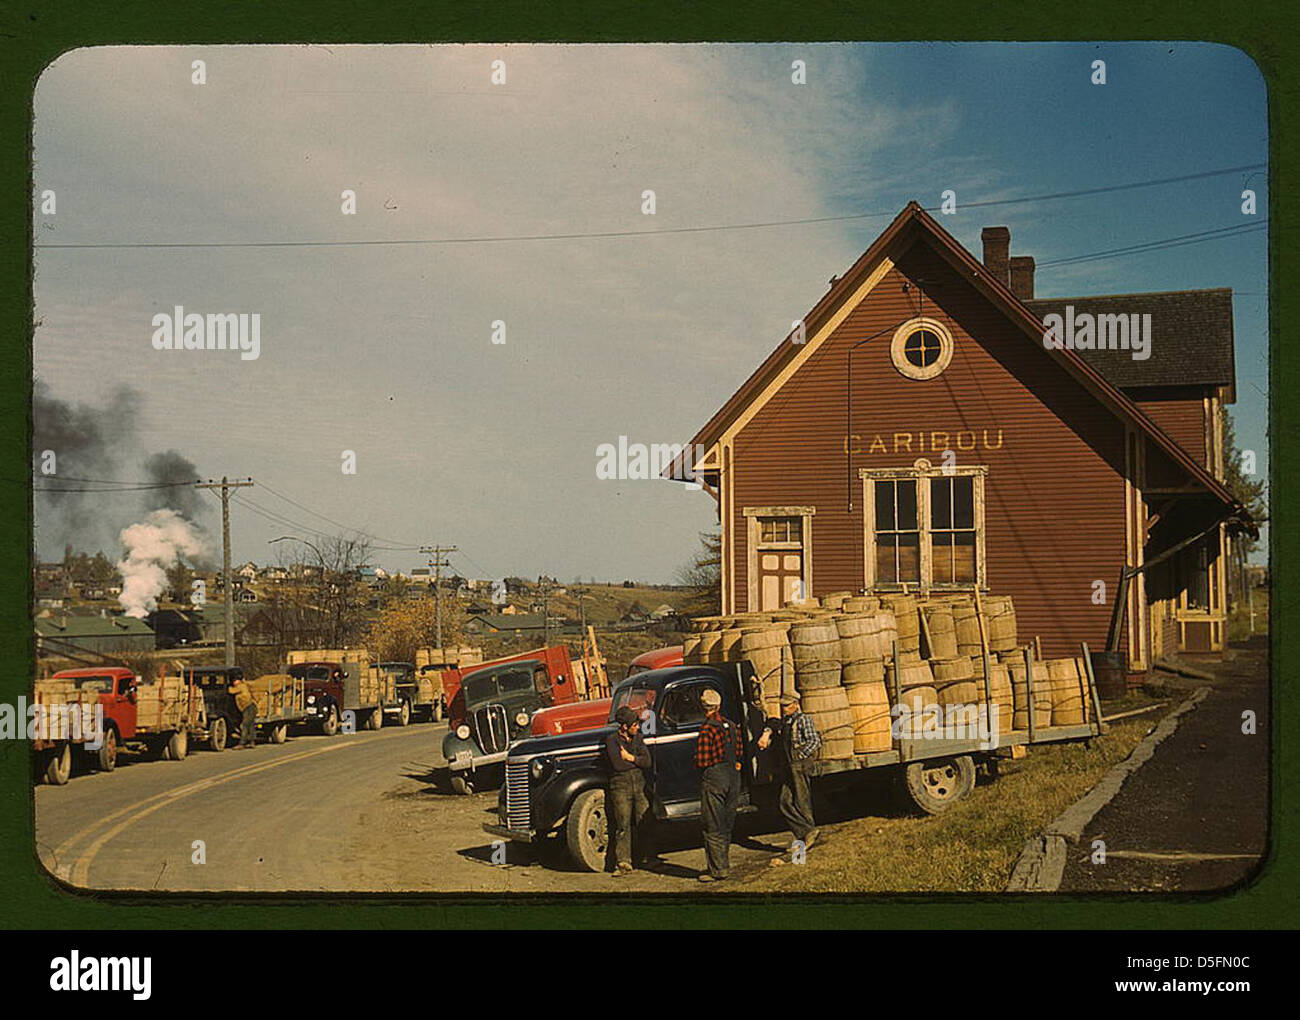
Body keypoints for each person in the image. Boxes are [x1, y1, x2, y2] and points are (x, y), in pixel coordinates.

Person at [758, 692, 821, 862]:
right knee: (784, 802)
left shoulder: (803, 720)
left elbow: (815, 741)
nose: (783, 708)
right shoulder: (785, 722)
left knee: (802, 800)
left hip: (799, 765)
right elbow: (772, 721)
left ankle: (807, 836)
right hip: (788, 767)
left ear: (795, 704)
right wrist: (767, 732)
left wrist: (800, 755)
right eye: (782, 706)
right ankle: (806, 832)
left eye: (786, 705)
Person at [695, 687, 743, 882]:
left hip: (715, 777)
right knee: (726, 822)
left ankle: (718, 870)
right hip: (733, 776)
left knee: (712, 824)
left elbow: (703, 760)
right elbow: (738, 751)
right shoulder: (731, 726)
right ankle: (724, 863)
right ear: (719, 705)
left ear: (703, 706)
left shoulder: (707, 729)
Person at [605, 706, 651, 875]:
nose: (637, 727)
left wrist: (630, 758)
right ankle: (623, 862)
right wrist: (636, 761)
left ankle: (647, 857)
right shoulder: (612, 740)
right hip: (621, 787)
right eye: (634, 725)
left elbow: (647, 761)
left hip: (639, 784)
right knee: (622, 824)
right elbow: (618, 764)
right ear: (624, 726)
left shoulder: (638, 738)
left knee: (644, 820)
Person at [230, 675, 257, 749]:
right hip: (247, 707)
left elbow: (231, 691)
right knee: (250, 725)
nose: (234, 683)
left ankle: (242, 743)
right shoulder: (242, 686)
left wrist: (227, 686)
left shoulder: (241, 686)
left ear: (239, 681)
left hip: (249, 707)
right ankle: (252, 742)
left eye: (235, 681)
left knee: (244, 725)